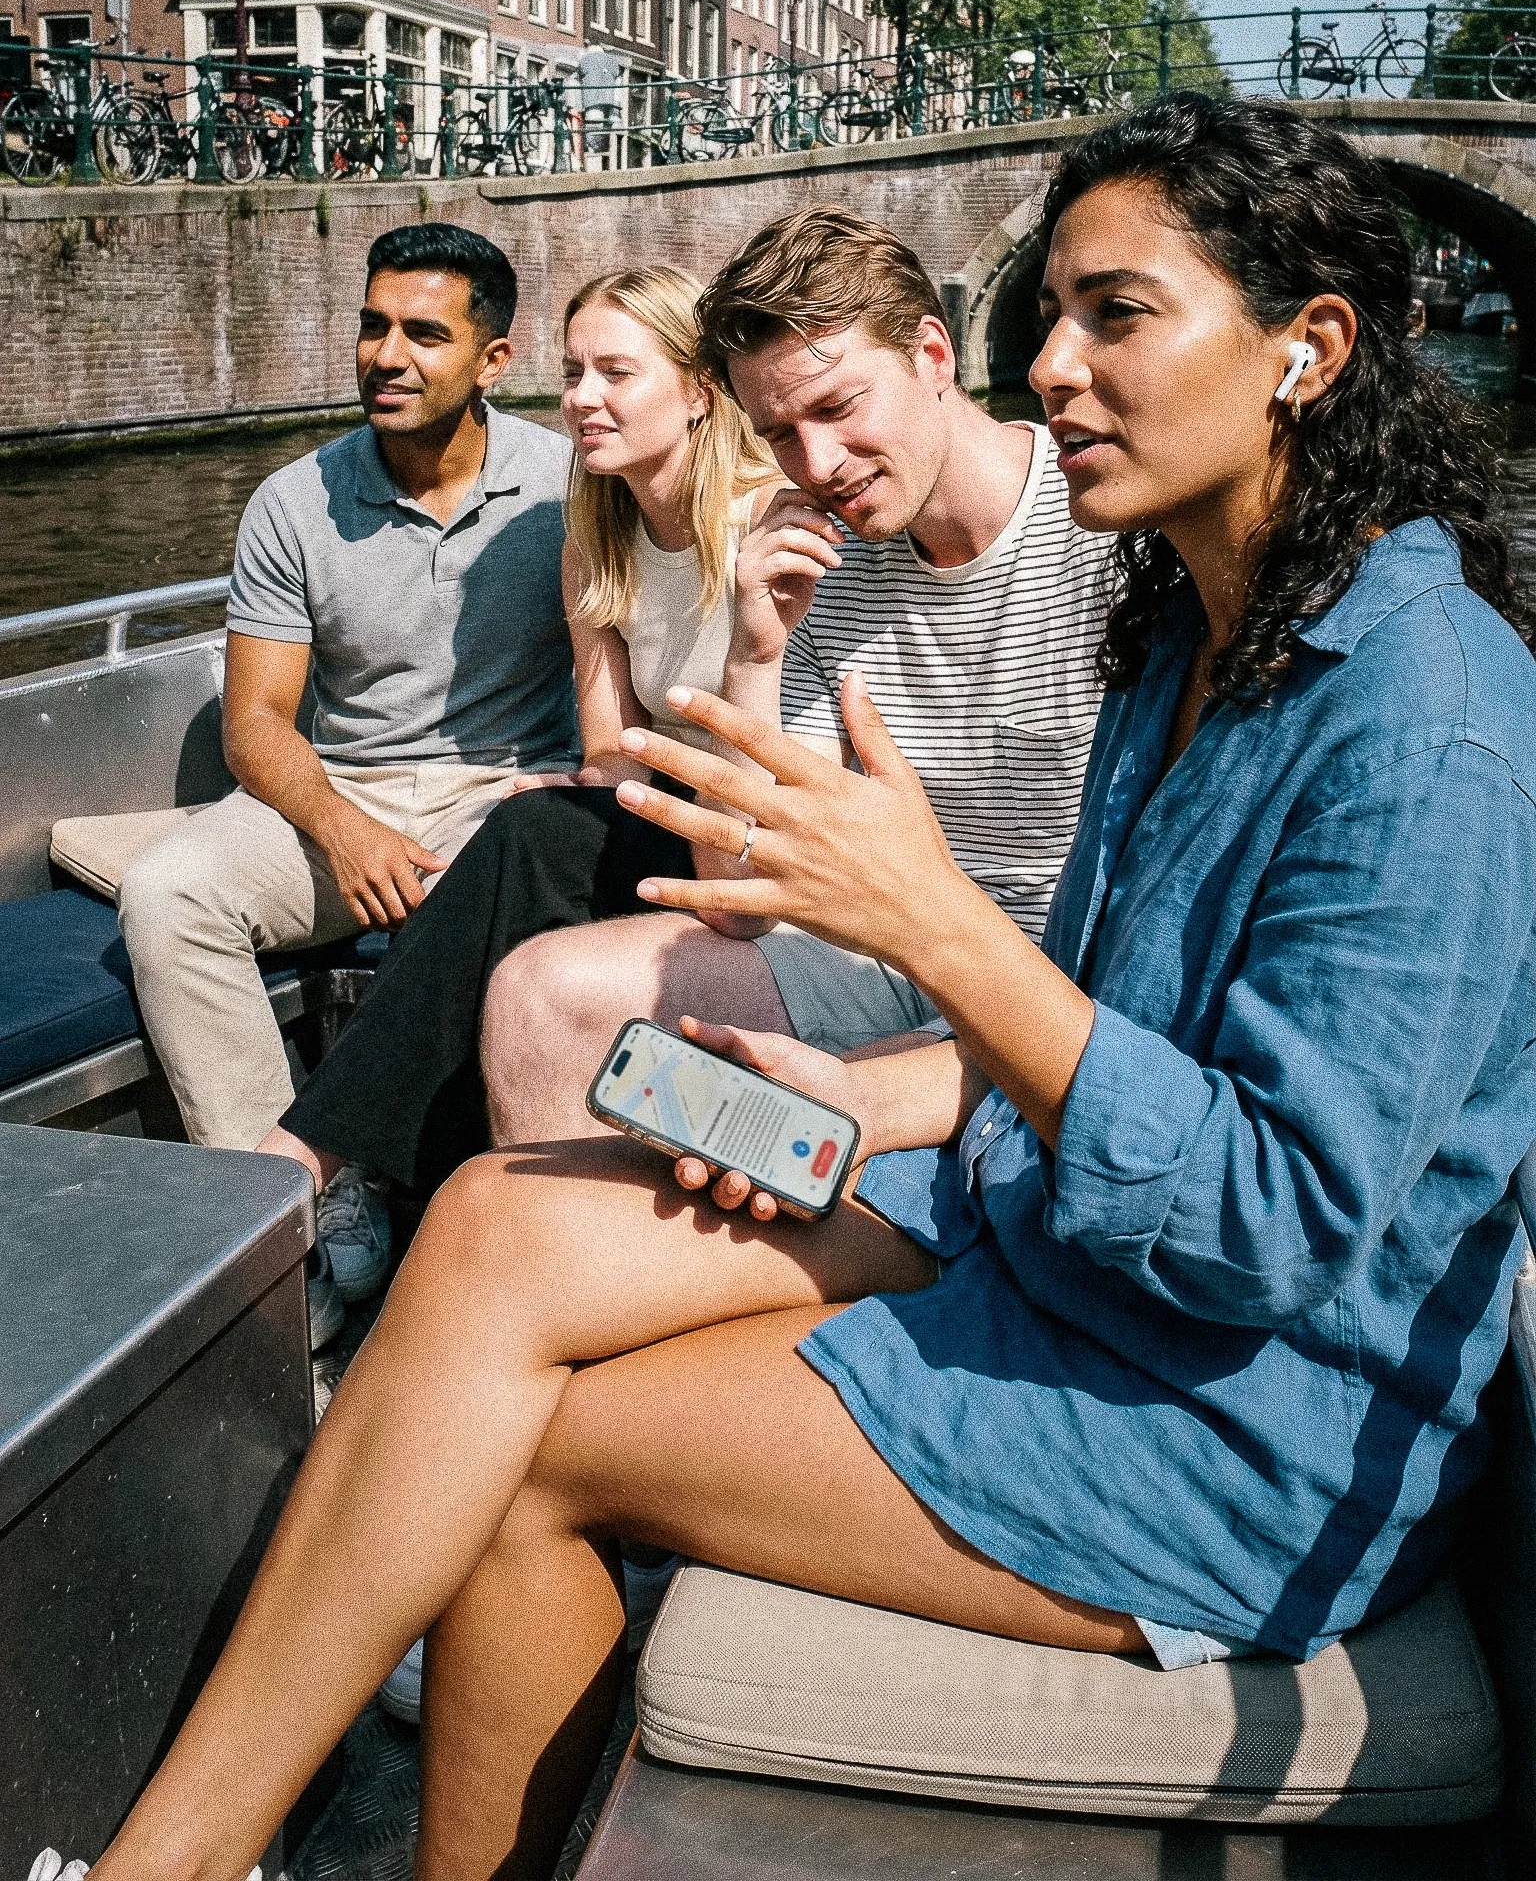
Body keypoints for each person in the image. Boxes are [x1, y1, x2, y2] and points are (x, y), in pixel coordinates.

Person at [48, 92, 1536, 1881]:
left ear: (1308, 350)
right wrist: (840, 1098)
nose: (1051, 365)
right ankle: (167, 1867)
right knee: (502, 1216)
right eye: (1047, 314)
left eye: (1116, 315)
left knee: (538, 1457)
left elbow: (1270, 1226)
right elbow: (1060, 1039)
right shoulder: (1190, 626)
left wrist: (930, 927)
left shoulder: (1430, 722)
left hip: (1231, 1408)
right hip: (1042, 1223)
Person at [269, 210, 1110, 1201]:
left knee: (538, 841)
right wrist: (755, 651)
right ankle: (494, 1252)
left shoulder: (1102, 520)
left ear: (935, 353)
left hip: (1055, 976)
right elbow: (737, 901)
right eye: (783, 434)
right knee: (540, 998)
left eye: (841, 407)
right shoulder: (810, 555)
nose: (819, 462)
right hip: (880, 953)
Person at [117, 221, 574, 1323]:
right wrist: (343, 826)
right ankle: (309, 1217)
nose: (386, 354)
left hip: (501, 793)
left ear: (493, 361)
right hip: (344, 789)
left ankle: (458, 1228)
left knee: (476, 903)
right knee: (169, 894)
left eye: (424, 332)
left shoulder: (570, 487)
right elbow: (260, 724)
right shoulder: (294, 502)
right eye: (372, 326)